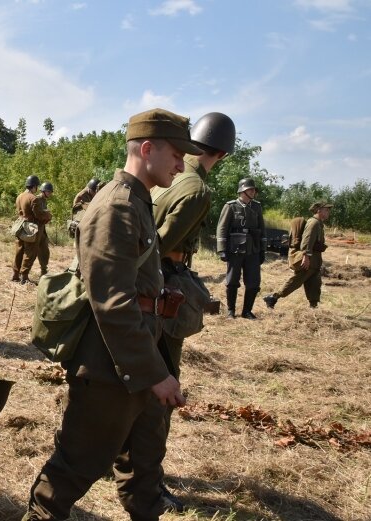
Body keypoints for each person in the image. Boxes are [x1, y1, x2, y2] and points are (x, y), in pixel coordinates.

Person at [22, 108, 201, 521]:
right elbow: (114, 303)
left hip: (137, 360)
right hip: (108, 366)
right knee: (75, 468)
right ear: (146, 148)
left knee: (144, 463)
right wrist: (155, 374)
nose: (181, 163)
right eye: (176, 153)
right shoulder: (117, 207)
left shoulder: (138, 202)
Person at [138, 111, 236, 512]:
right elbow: (158, 246)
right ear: (225, 154)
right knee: (163, 387)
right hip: (162, 287)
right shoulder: (196, 188)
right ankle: (148, 479)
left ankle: (128, 463)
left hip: (144, 286)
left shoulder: (169, 173)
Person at [264, 201, 332, 309]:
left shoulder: (319, 223)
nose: (329, 212)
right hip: (309, 259)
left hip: (315, 260)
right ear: (319, 210)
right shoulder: (313, 223)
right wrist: (306, 256)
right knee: (296, 281)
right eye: (326, 210)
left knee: (314, 282)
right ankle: (273, 297)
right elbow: (307, 240)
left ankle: (313, 306)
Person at [217, 178, 266, 319]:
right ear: (243, 191)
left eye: (254, 190)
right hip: (235, 249)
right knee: (232, 281)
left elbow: (262, 229)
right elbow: (222, 228)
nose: (254, 192)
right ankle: (231, 311)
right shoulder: (231, 206)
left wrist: (263, 250)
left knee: (254, 283)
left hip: (253, 250)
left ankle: (247, 311)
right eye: (251, 190)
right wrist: (222, 249)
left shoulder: (257, 207)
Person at [11, 174, 43, 284]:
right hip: (30, 227)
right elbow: (39, 215)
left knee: (19, 250)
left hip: (20, 225)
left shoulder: (19, 196)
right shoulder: (34, 198)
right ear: (34, 186)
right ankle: (24, 277)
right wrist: (48, 215)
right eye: (37, 186)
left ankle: (15, 274)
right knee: (30, 252)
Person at [35, 181, 54, 276]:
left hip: (42, 228)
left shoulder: (44, 200)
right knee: (32, 252)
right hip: (35, 229)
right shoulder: (37, 199)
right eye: (48, 192)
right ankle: (23, 274)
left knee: (44, 250)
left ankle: (44, 270)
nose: (50, 194)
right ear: (43, 191)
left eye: (50, 192)